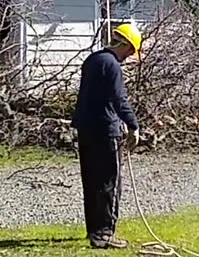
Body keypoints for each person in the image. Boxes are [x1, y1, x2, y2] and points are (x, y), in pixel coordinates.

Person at [71, 22, 143, 249]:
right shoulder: (112, 65)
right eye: (131, 51)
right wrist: (133, 126)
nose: (130, 56)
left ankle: (94, 231)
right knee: (109, 184)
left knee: (91, 182)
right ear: (126, 45)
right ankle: (104, 234)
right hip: (105, 131)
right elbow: (118, 99)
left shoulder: (92, 60)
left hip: (86, 129)